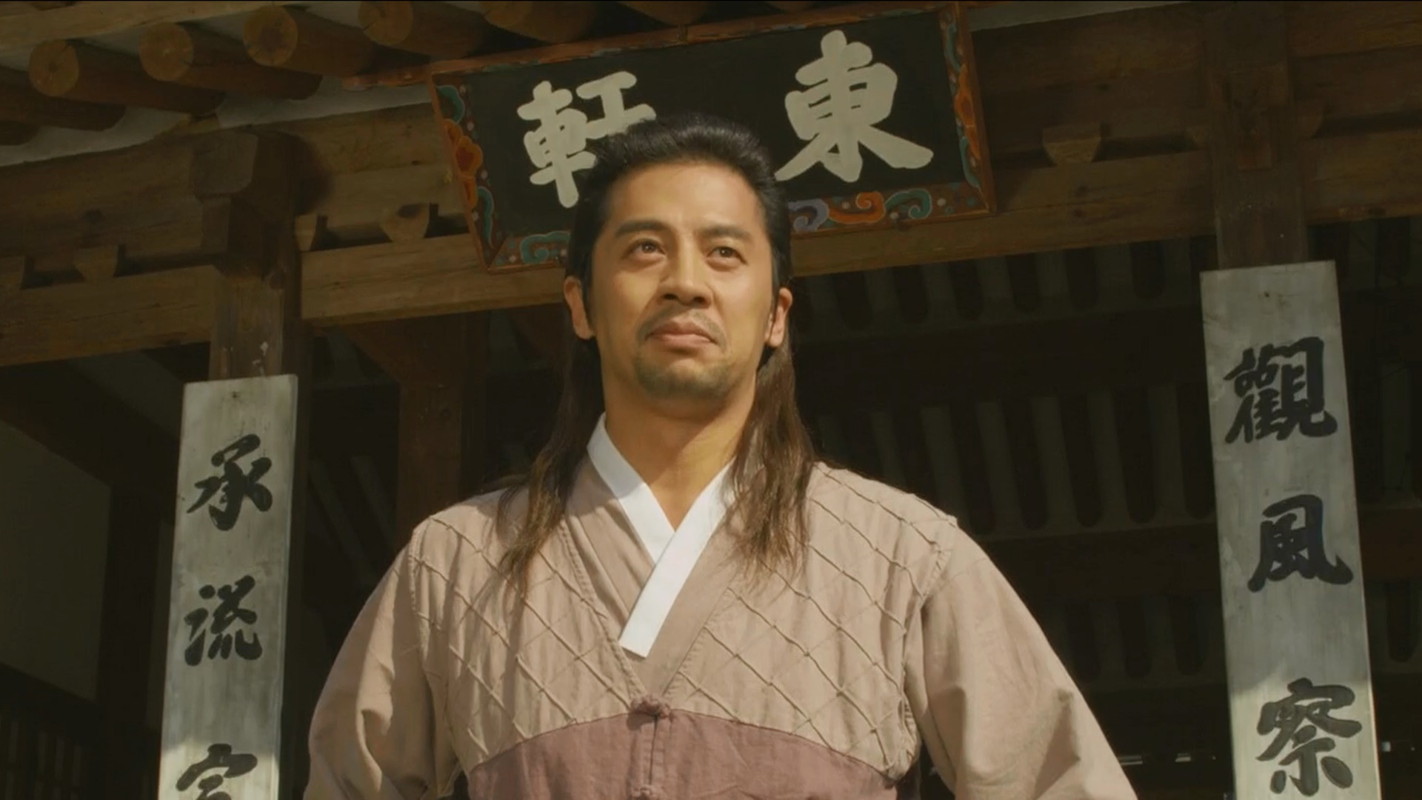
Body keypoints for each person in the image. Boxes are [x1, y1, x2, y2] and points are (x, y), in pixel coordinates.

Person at [304, 113, 1136, 799]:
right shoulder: (455, 563)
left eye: (724, 253)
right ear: (581, 306)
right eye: (644, 249)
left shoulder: (902, 557)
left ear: (775, 315)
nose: (686, 283)